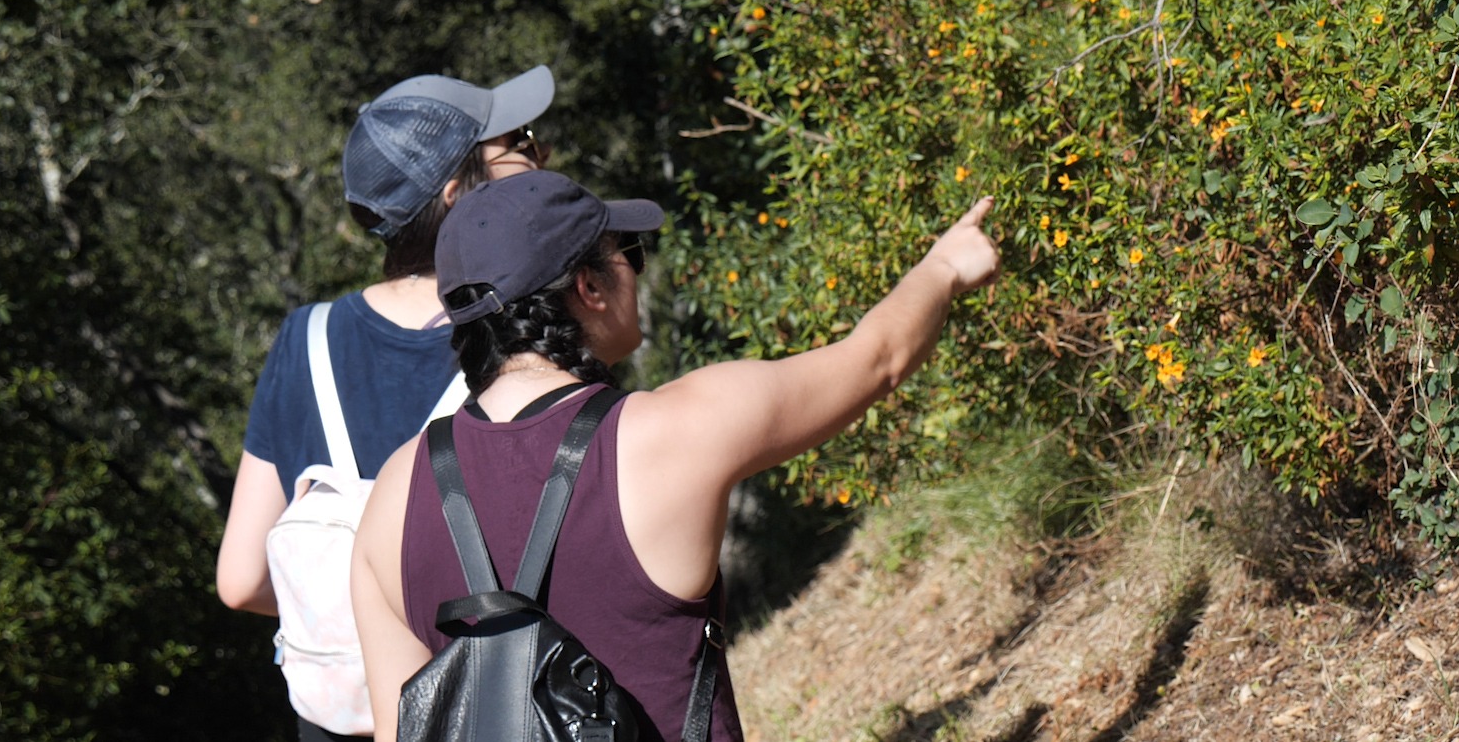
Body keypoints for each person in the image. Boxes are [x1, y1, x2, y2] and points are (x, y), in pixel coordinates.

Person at [350, 171, 1001, 742]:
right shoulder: (670, 432)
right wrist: (943, 267)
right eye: (627, 251)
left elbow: (401, 727)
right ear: (589, 287)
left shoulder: (392, 497)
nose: (637, 265)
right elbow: (876, 361)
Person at [216, 65, 557, 742]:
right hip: (488, 710)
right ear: (461, 197)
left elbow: (240, 580)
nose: (538, 154)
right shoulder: (524, 334)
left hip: (340, 718)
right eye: (518, 141)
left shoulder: (304, 341)